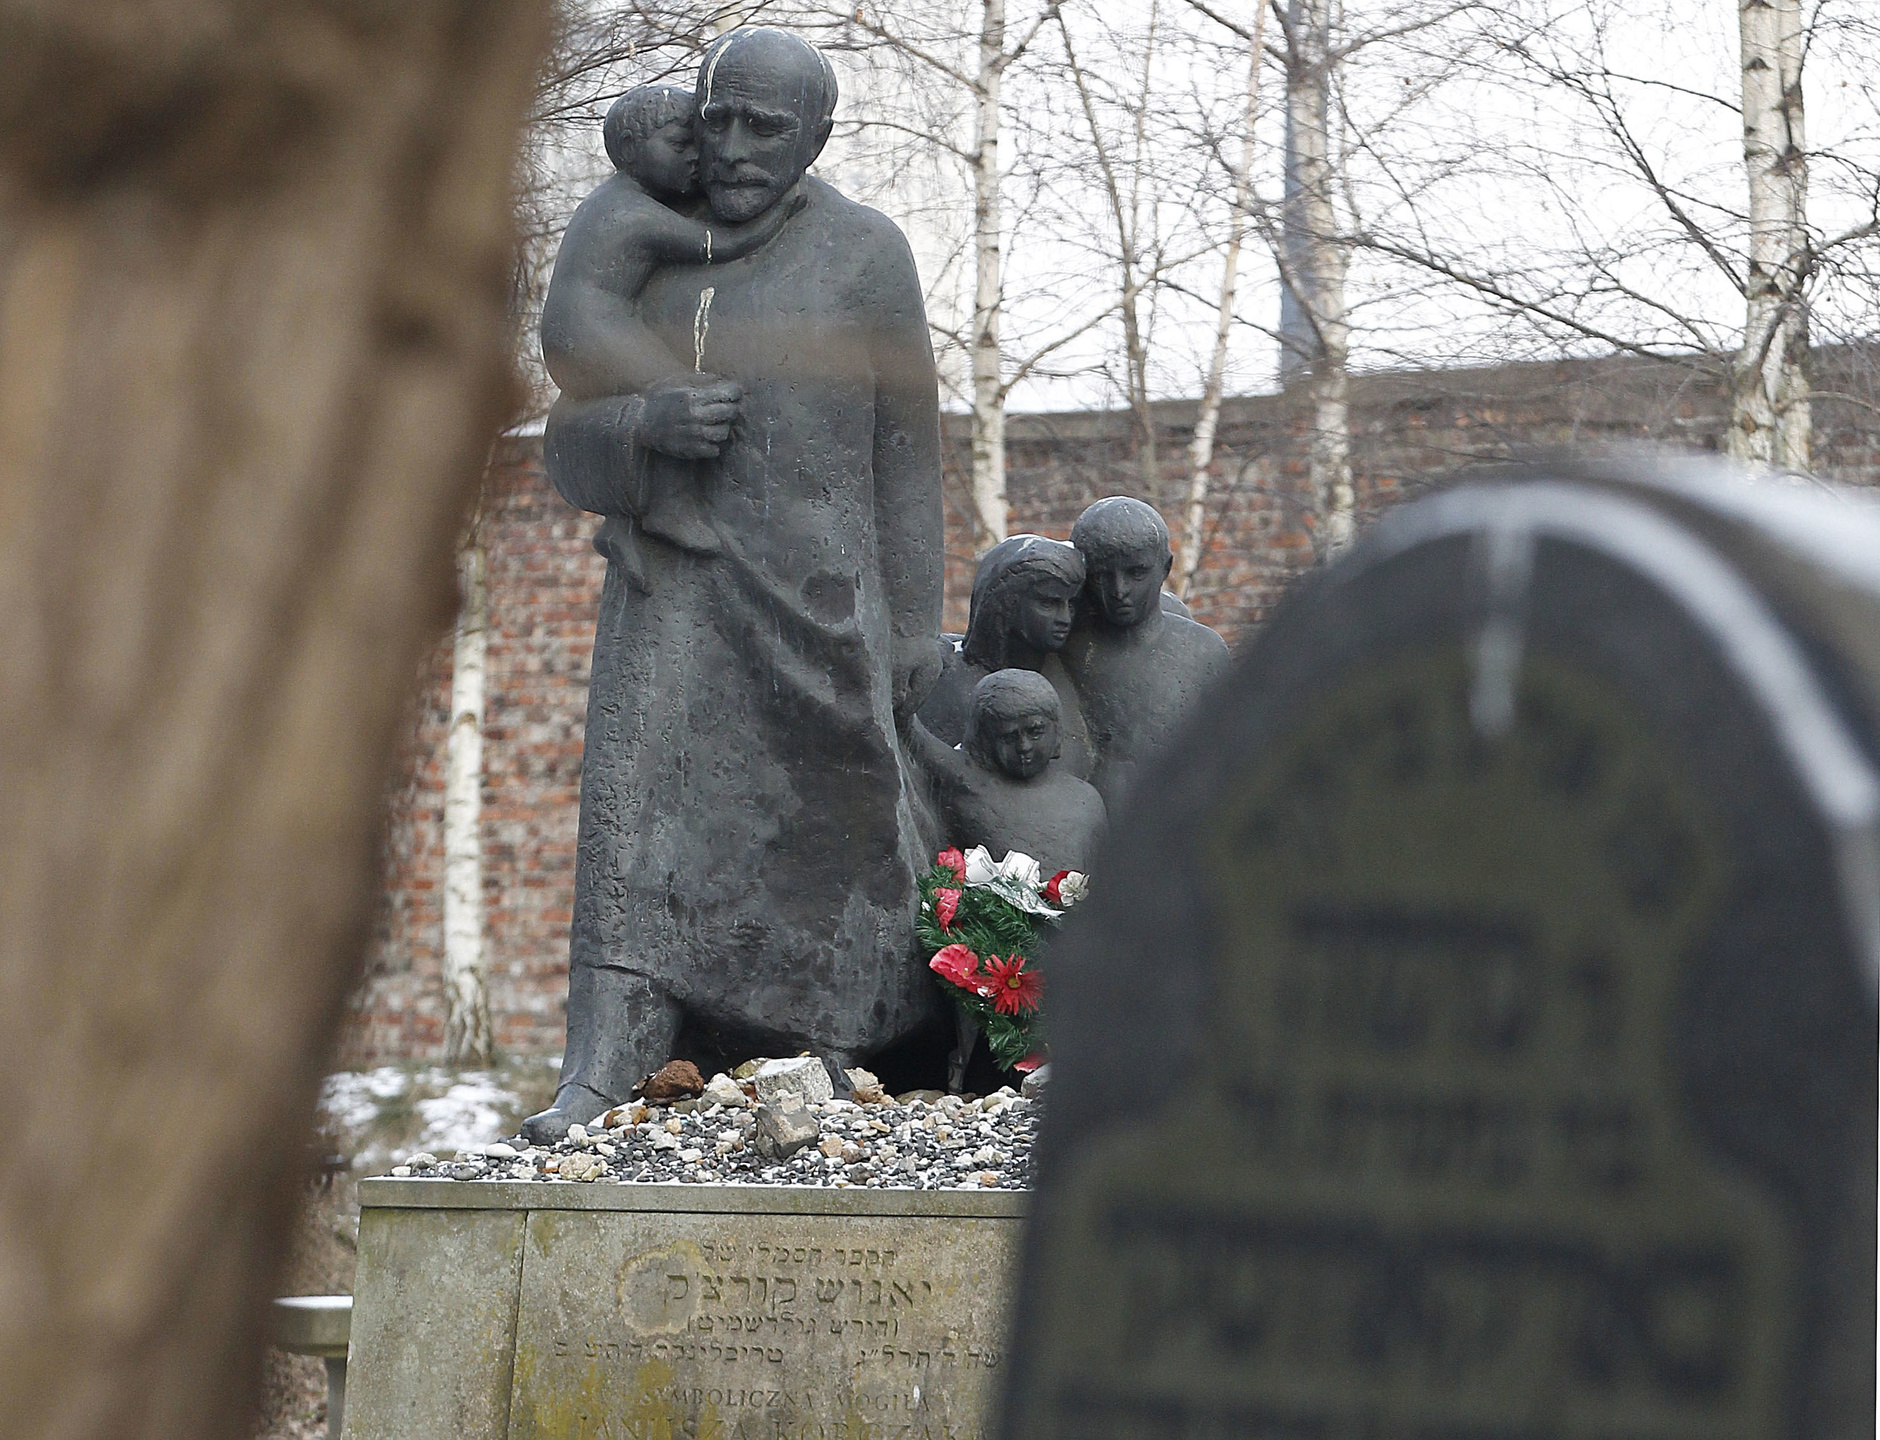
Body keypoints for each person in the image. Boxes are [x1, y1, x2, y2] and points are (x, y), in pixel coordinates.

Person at [523, 28, 946, 1142]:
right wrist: (643, 424)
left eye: (770, 125)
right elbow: (565, 437)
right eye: (722, 117)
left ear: (815, 135)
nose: (740, 145)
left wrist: (915, 624)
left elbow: (906, 453)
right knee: (634, 821)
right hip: (676, 588)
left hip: (820, 595)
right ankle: (606, 1060)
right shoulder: (640, 234)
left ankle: (832, 1053)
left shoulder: (865, 252)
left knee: (837, 817)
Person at [539, 84, 803, 581]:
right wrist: (780, 213)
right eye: (680, 146)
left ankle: (626, 525)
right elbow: (713, 244)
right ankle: (667, 510)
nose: (694, 160)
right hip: (591, 332)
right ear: (632, 152)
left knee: (681, 401)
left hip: (578, 331)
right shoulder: (629, 212)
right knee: (689, 398)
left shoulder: (613, 202)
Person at [1061, 497, 1230, 807]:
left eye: (1136, 573)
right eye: (1101, 576)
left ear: (1165, 567)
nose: (1119, 591)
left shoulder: (1203, 652)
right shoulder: (1064, 650)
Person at [917, 534, 1093, 778]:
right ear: (1007, 603)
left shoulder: (1070, 678)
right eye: (1048, 603)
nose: (1064, 618)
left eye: (1071, 604)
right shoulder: (947, 678)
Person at [914, 670, 1105, 876]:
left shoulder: (1085, 802)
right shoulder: (968, 785)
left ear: (1056, 730)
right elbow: (912, 737)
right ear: (985, 740)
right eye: (1008, 737)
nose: (1023, 746)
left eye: (1035, 732)